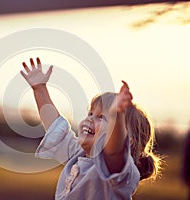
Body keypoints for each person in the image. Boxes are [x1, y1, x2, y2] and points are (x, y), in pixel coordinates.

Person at [20, 57, 160, 199]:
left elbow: (114, 152)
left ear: (127, 141)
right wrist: (39, 89)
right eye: (90, 113)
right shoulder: (79, 154)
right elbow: (56, 127)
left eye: (102, 117)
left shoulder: (120, 171)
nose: (90, 119)